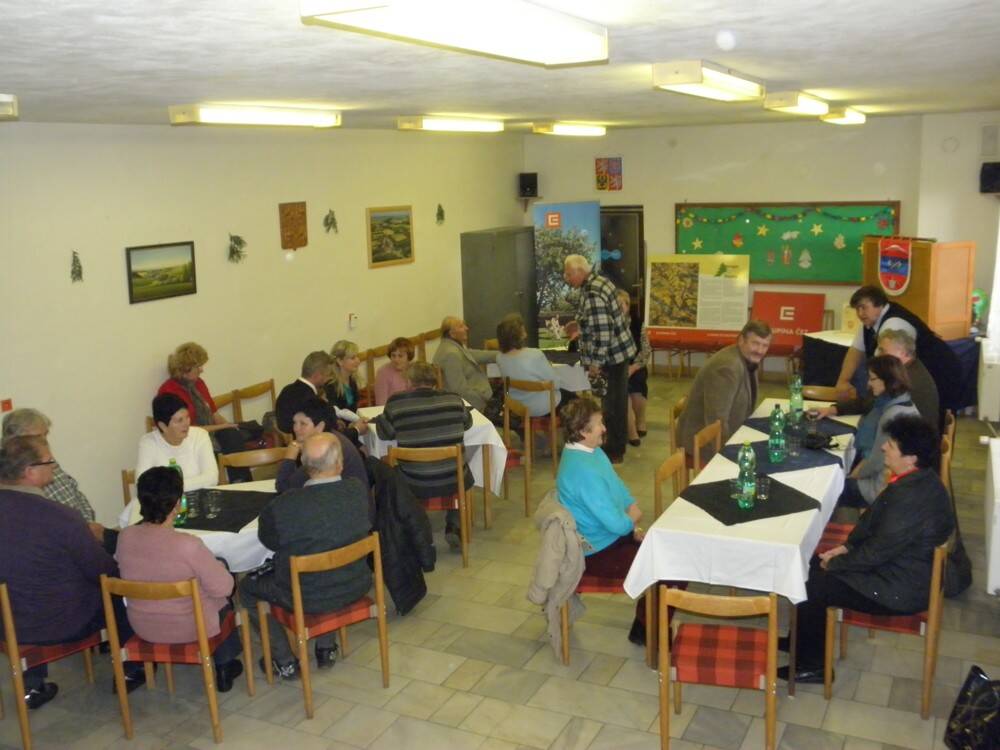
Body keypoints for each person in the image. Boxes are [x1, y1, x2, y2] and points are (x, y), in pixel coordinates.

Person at [780, 415, 954, 683]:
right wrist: (845, 548)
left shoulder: (909, 497)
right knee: (810, 565)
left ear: (911, 458)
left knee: (812, 584)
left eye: (891, 445)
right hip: (901, 569)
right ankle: (799, 642)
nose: (884, 447)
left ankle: (813, 667)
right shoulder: (919, 481)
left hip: (899, 588)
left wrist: (836, 563)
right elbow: (874, 529)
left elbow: (877, 552)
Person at [0, 436, 145, 709]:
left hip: (8, 623)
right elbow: (101, 570)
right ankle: (131, 668)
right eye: (49, 462)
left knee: (24, 586)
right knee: (118, 588)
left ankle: (33, 686)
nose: (54, 467)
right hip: (61, 622)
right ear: (29, 472)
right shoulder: (60, 516)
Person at [240, 433, 372, 679]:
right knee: (328, 558)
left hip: (306, 595)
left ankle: (285, 660)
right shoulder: (357, 490)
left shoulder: (285, 505)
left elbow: (269, 541)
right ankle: (326, 648)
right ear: (340, 463)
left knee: (247, 589)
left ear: (304, 466)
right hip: (355, 585)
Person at [115, 467, 244, 692]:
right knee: (221, 587)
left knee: (209, 581)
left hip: (144, 627)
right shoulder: (188, 544)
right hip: (191, 628)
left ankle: (224, 663)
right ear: (177, 504)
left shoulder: (124, 537)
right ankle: (224, 665)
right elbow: (225, 588)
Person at [555, 397, 649, 645]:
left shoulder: (590, 452)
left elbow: (616, 485)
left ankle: (646, 626)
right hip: (597, 552)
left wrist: (631, 511)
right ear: (582, 431)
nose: (604, 428)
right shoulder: (583, 471)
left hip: (612, 538)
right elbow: (616, 524)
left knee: (665, 556)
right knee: (666, 570)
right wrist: (631, 521)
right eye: (598, 424)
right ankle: (646, 631)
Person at [375, 361, 474, 551]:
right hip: (452, 478)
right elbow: (467, 423)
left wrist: (383, 419)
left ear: (409, 381)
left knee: (393, 473)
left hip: (414, 479)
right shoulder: (454, 399)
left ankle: (418, 527)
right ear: (435, 380)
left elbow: (384, 433)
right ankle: (454, 525)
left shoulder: (396, 403)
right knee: (461, 468)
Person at [0, 408, 116, 550]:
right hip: (64, 540)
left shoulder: (45, 461)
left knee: (127, 542)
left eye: (45, 435)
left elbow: (76, 493)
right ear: (17, 442)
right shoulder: (17, 478)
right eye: (39, 437)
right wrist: (81, 530)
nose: (44, 441)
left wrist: (87, 524)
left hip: (83, 530)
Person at [833, 285, 962, 411]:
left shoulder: (893, 325)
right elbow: (856, 351)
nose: (860, 313)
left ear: (879, 304)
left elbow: (885, 368)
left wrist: (865, 402)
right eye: (857, 309)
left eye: (863, 307)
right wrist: (843, 381)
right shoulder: (870, 321)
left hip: (940, 374)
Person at [562, 255, 637, 463]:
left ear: (579, 271)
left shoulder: (592, 292)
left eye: (568, 273)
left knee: (612, 406)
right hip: (618, 354)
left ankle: (614, 451)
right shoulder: (599, 282)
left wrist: (596, 363)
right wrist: (579, 324)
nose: (566, 278)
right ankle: (616, 447)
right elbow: (598, 319)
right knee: (616, 402)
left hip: (611, 358)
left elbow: (604, 332)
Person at [675, 319, 772, 466]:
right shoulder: (728, 367)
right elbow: (716, 420)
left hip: (729, 435)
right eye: (755, 343)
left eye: (765, 345)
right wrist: (726, 457)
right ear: (741, 340)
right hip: (701, 446)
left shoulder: (747, 359)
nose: (760, 350)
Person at [820, 328, 940, 434]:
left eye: (883, 350)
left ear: (903, 352)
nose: (878, 355)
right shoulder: (908, 370)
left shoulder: (905, 380)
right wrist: (835, 409)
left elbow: (872, 406)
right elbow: (868, 402)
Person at [838, 355, 920, 508]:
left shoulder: (891, 415)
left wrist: (850, 478)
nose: (868, 384)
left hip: (879, 489)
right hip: (893, 482)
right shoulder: (903, 403)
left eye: (872, 379)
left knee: (829, 488)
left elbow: (875, 462)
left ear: (887, 380)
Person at [156, 342, 246, 458]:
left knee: (233, 436)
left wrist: (229, 426)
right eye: (198, 366)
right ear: (186, 368)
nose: (202, 370)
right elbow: (186, 429)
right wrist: (224, 427)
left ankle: (238, 470)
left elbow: (214, 414)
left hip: (208, 432)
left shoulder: (199, 383)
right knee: (208, 446)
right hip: (186, 439)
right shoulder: (169, 391)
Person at [275, 397, 369, 497]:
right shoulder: (332, 438)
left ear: (320, 426)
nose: (296, 429)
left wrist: (289, 458)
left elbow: (283, 488)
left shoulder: (321, 450)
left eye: (303, 424)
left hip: (345, 503)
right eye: (295, 422)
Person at [136, 393, 218, 491]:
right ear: (163, 426)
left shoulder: (200, 436)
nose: (186, 424)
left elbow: (212, 478)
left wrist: (170, 487)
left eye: (187, 417)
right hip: (165, 501)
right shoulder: (148, 443)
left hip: (197, 498)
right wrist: (190, 484)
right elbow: (142, 484)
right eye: (179, 420)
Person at [495, 313, 570, 417]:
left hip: (516, 406)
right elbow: (556, 384)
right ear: (519, 333)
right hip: (542, 408)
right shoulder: (535, 355)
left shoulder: (499, 357)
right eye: (522, 326)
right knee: (578, 403)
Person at [432, 316, 500, 420]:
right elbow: (460, 391)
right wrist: (485, 403)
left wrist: (500, 355)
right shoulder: (451, 355)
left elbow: (473, 354)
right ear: (452, 333)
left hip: (479, 397)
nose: (466, 328)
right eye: (461, 326)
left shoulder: (450, 346)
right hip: (475, 406)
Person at [616, 289, 652, 446]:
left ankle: (640, 421)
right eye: (615, 305)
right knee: (623, 392)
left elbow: (646, 350)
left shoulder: (637, 323)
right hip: (617, 366)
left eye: (622, 304)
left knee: (637, 387)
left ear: (628, 305)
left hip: (636, 365)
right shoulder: (609, 325)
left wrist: (634, 367)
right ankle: (631, 431)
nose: (619, 308)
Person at [275, 350, 334, 434]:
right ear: (317, 375)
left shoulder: (286, 390)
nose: (329, 378)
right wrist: (326, 403)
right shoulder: (312, 400)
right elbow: (328, 424)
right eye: (328, 375)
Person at [374, 336, 415, 406]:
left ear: (409, 357)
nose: (396, 359)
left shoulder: (415, 369)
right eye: (393, 355)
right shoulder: (383, 373)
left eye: (400, 356)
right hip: (393, 411)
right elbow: (381, 404)